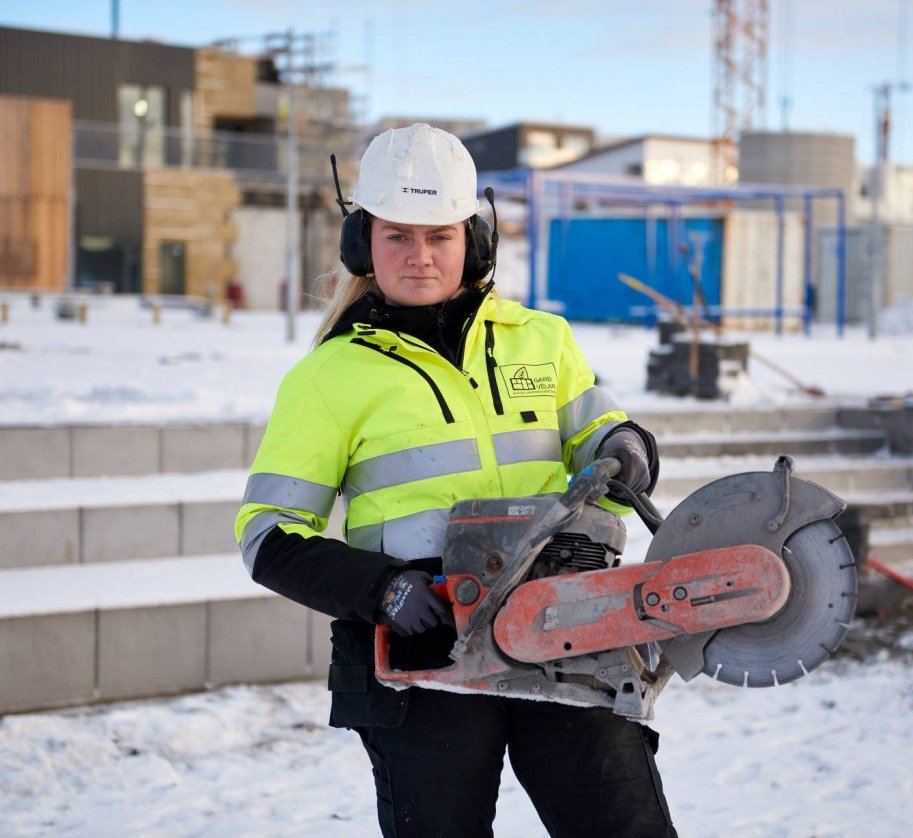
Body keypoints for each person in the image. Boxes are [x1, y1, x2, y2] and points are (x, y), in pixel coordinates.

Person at [235, 123, 677, 837]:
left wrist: (623, 446)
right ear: (362, 243)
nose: (420, 256)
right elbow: (268, 536)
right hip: (425, 651)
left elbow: (598, 431)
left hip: (562, 627)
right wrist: (382, 589)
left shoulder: (543, 339)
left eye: (439, 236)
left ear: (473, 240)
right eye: (398, 236)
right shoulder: (327, 378)